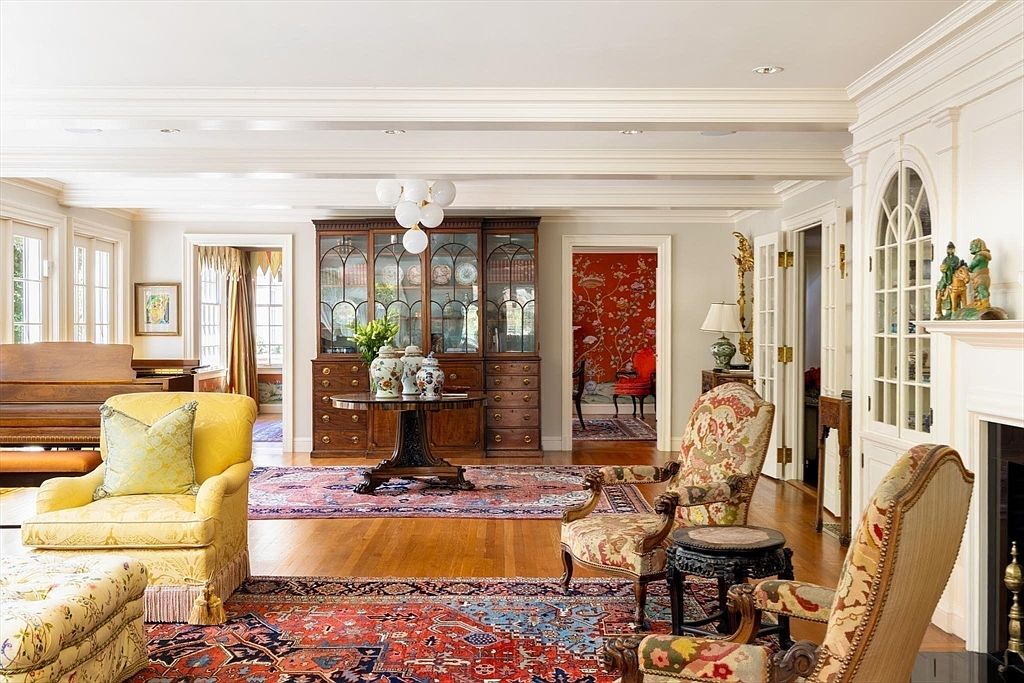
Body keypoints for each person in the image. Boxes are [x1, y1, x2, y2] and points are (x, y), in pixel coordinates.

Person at [935, 242, 963, 318]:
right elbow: (943, 267)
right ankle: (938, 310)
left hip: (953, 275)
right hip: (946, 276)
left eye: (952, 249)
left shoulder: (956, 258)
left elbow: (956, 267)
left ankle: (955, 310)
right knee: (940, 288)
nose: (950, 250)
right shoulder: (945, 259)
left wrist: (949, 267)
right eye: (949, 249)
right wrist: (944, 269)